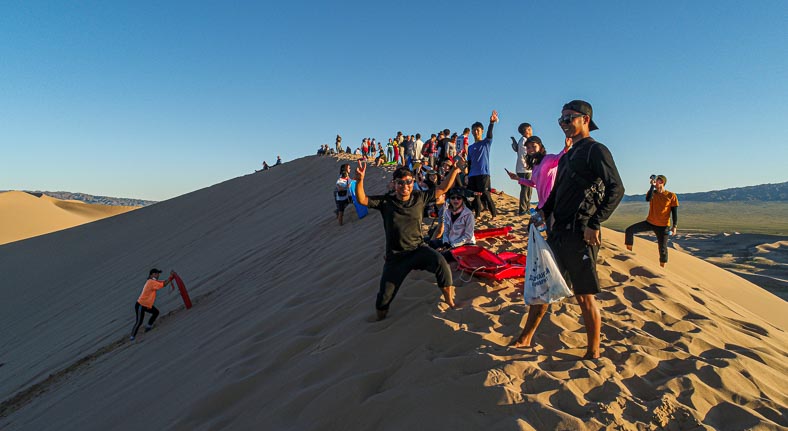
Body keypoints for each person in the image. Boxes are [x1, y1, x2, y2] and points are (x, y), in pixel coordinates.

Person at [511, 100, 624, 360]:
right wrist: (542, 211)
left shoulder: (596, 150)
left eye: (569, 118)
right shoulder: (570, 154)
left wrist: (595, 222)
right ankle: (525, 338)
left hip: (581, 233)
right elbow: (557, 191)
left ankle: (593, 351)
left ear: (585, 120)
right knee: (543, 288)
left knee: (584, 296)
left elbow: (616, 189)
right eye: (560, 119)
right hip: (558, 231)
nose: (563, 124)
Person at [354, 160, 461, 320]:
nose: (405, 186)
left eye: (409, 182)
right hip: (396, 257)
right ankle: (380, 319)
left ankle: (450, 301)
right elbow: (362, 200)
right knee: (383, 299)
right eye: (400, 183)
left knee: (441, 264)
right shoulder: (386, 202)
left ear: (413, 182)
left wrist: (455, 170)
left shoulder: (420, 197)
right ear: (394, 184)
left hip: (418, 250)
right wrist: (360, 180)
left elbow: (442, 188)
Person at [506, 136, 572, 216]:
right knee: (534, 226)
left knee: (545, 227)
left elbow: (560, 157)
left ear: (540, 146)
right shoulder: (535, 165)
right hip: (542, 203)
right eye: (528, 147)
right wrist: (518, 178)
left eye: (534, 146)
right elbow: (534, 183)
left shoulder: (548, 158)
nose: (530, 150)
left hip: (552, 202)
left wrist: (566, 147)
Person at [624, 175, 678, 267]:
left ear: (662, 182)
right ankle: (628, 255)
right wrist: (652, 186)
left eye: (657, 180)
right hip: (650, 222)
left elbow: (674, 213)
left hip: (663, 226)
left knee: (662, 248)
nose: (655, 181)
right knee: (629, 230)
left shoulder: (671, 196)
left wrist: (674, 227)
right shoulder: (653, 193)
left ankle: (662, 268)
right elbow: (648, 198)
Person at [467, 110, 499, 219]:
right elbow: (469, 162)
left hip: (483, 173)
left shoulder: (486, 143)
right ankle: (477, 214)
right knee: (476, 196)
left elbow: (490, 135)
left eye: (478, 130)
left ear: (482, 131)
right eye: (474, 130)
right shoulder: (470, 147)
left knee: (486, 194)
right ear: (471, 132)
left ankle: (494, 215)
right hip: (472, 174)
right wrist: (467, 175)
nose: (476, 132)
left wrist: (491, 123)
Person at [429, 188, 476, 260]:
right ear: (449, 200)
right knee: (432, 243)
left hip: (465, 244)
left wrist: (451, 245)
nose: (456, 200)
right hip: (450, 241)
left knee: (443, 256)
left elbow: (468, 236)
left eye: (458, 198)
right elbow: (446, 231)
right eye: (453, 198)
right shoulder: (447, 212)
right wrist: (445, 242)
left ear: (463, 199)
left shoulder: (469, 215)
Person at [130, 268, 175, 341]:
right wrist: (171, 277)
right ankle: (132, 337)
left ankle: (148, 327)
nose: (157, 275)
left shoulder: (153, 281)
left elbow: (162, 282)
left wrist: (171, 277)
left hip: (147, 305)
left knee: (156, 312)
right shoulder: (151, 282)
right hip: (141, 305)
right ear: (151, 275)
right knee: (139, 322)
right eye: (156, 274)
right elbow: (163, 284)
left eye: (158, 274)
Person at [511, 123, 533, 215]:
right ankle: (523, 209)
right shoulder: (523, 141)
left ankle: (527, 208)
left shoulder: (525, 140)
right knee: (525, 189)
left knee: (529, 189)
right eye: (530, 129)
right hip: (524, 169)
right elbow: (525, 155)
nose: (531, 131)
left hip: (527, 168)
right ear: (526, 130)